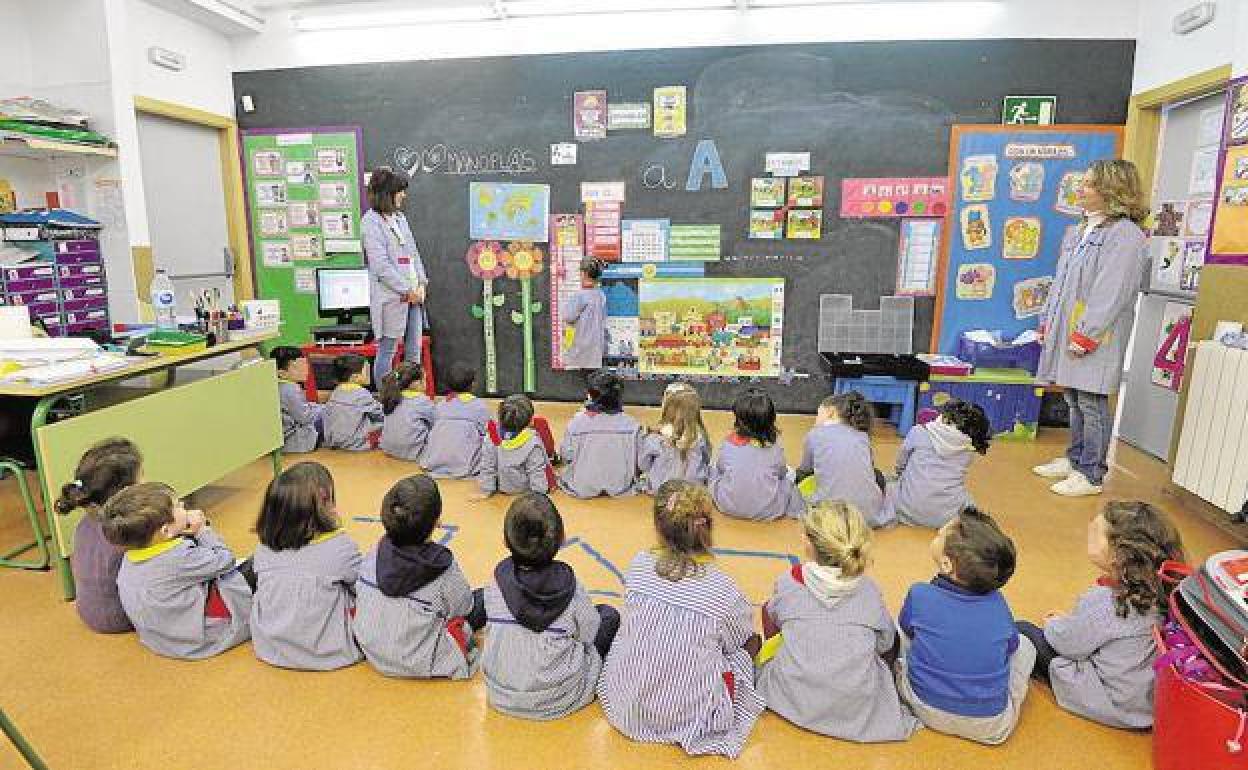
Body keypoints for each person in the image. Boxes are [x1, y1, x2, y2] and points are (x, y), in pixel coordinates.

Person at [599, 481, 764, 758]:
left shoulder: (639, 564)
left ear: (658, 528)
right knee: (752, 642)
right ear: (707, 527)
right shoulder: (723, 590)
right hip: (689, 715)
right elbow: (737, 639)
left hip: (628, 703)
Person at [1034, 159, 1151, 497]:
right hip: (1069, 326)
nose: (1080, 189)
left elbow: (1111, 291)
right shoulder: (1079, 231)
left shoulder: (1126, 236)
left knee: (1091, 399)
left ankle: (1092, 472)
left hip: (1096, 333)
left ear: (1111, 189)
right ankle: (1075, 459)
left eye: (1088, 184)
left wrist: (1087, 332)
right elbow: (1061, 283)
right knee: (1072, 396)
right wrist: (1048, 321)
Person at [756, 501, 918, 742]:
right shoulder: (869, 590)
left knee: (770, 611)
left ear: (809, 545)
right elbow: (885, 644)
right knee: (890, 639)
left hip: (790, 698)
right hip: (855, 708)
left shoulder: (789, 582)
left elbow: (773, 620)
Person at [1016, 501, 1185, 729]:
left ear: (1120, 555)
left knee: (1023, 629)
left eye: (1096, 533)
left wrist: (1055, 624)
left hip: (1107, 701)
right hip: (1144, 704)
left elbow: (1068, 644)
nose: (1089, 531)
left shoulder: (1111, 602)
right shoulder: (1162, 590)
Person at [895, 506, 1035, 745]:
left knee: (899, 631)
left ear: (947, 565)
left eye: (940, 535)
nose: (937, 534)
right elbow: (1011, 647)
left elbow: (907, 630)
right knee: (1024, 645)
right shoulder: (998, 605)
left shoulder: (920, 593)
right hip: (990, 726)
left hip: (922, 705)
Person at [481, 493, 619, 720]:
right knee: (609, 615)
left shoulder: (496, 581)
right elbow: (589, 633)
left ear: (506, 540)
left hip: (500, 693)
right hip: (561, 697)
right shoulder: (571, 587)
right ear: (562, 539)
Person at [354, 475, 483, 679]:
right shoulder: (442, 566)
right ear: (437, 521)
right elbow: (464, 607)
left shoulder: (375, 552)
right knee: (482, 599)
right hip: (422, 660)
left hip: (372, 650)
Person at [103, 483, 252, 660]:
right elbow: (226, 560)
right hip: (204, 640)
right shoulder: (179, 557)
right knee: (257, 563)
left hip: (161, 640)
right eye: (178, 505)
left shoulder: (130, 557)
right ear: (166, 531)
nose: (183, 504)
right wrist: (203, 530)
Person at [250, 462, 363, 671]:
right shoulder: (340, 547)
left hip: (270, 647)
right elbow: (363, 587)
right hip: (330, 652)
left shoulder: (263, 549)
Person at [56, 438, 142, 633]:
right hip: (122, 617)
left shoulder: (84, 524)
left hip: (87, 612)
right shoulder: (126, 530)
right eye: (142, 476)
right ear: (124, 491)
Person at [879, 400, 991, 529]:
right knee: (968, 499)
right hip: (946, 517)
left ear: (945, 416)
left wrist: (900, 475)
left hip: (907, 511)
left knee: (887, 484)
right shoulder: (968, 449)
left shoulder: (918, 431)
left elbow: (901, 463)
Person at [361, 167, 427, 385]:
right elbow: (381, 265)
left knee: (413, 351)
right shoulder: (370, 223)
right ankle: (384, 399)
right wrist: (407, 290)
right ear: (388, 193)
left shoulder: (400, 218)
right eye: (400, 191)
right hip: (392, 298)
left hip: (414, 297)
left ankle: (410, 398)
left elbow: (414, 253)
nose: (403, 196)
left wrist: (421, 285)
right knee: (387, 350)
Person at [709, 387, 805, 521]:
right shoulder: (775, 447)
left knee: (712, 469)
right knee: (790, 477)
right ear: (771, 420)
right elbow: (782, 473)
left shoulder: (729, 443)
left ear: (739, 420)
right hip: (769, 510)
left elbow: (720, 468)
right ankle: (800, 514)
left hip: (728, 506)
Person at [795, 391, 885, 525]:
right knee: (878, 476)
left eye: (818, 414)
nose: (816, 420)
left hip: (828, 514)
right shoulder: (862, 436)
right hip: (866, 516)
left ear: (830, 412)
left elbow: (805, 469)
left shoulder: (814, 434)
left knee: (801, 477)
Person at [558, 368, 642, 498]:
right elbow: (640, 461)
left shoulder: (576, 423)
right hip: (621, 487)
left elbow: (566, 455)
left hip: (581, 487)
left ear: (590, 395)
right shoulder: (632, 425)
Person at [420, 362, 492, 478]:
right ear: (473, 384)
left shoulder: (440, 405)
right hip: (465, 466)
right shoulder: (479, 406)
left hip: (433, 463)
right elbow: (488, 433)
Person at [475, 394, 555, 498]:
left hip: (501, 490)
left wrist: (486, 491)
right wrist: (540, 497)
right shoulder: (532, 442)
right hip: (525, 494)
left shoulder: (491, 436)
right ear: (531, 421)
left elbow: (487, 467)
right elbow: (537, 475)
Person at [638, 382, 711, 495]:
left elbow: (643, 464)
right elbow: (707, 459)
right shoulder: (700, 436)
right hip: (693, 491)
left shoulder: (655, 438)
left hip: (661, 490)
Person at [321, 354, 383, 451]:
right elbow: (380, 414)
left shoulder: (336, 391)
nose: (369, 374)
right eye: (366, 371)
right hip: (355, 444)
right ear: (355, 377)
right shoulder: (362, 393)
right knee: (386, 424)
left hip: (333, 441)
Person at [379, 361, 434, 462]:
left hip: (388, 449)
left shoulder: (391, 396)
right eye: (424, 379)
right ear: (416, 383)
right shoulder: (422, 400)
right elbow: (435, 422)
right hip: (413, 453)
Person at [272, 346, 323, 454]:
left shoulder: (278, 386)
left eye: (304, 364)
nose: (305, 369)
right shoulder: (290, 389)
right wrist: (323, 410)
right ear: (281, 373)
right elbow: (305, 417)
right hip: (295, 441)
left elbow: (300, 407)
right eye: (296, 367)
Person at [562, 257, 607, 371]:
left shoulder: (580, 296)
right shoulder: (600, 295)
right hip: (596, 348)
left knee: (579, 382)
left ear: (583, 274)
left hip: (581, 349)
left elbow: (568, 317)